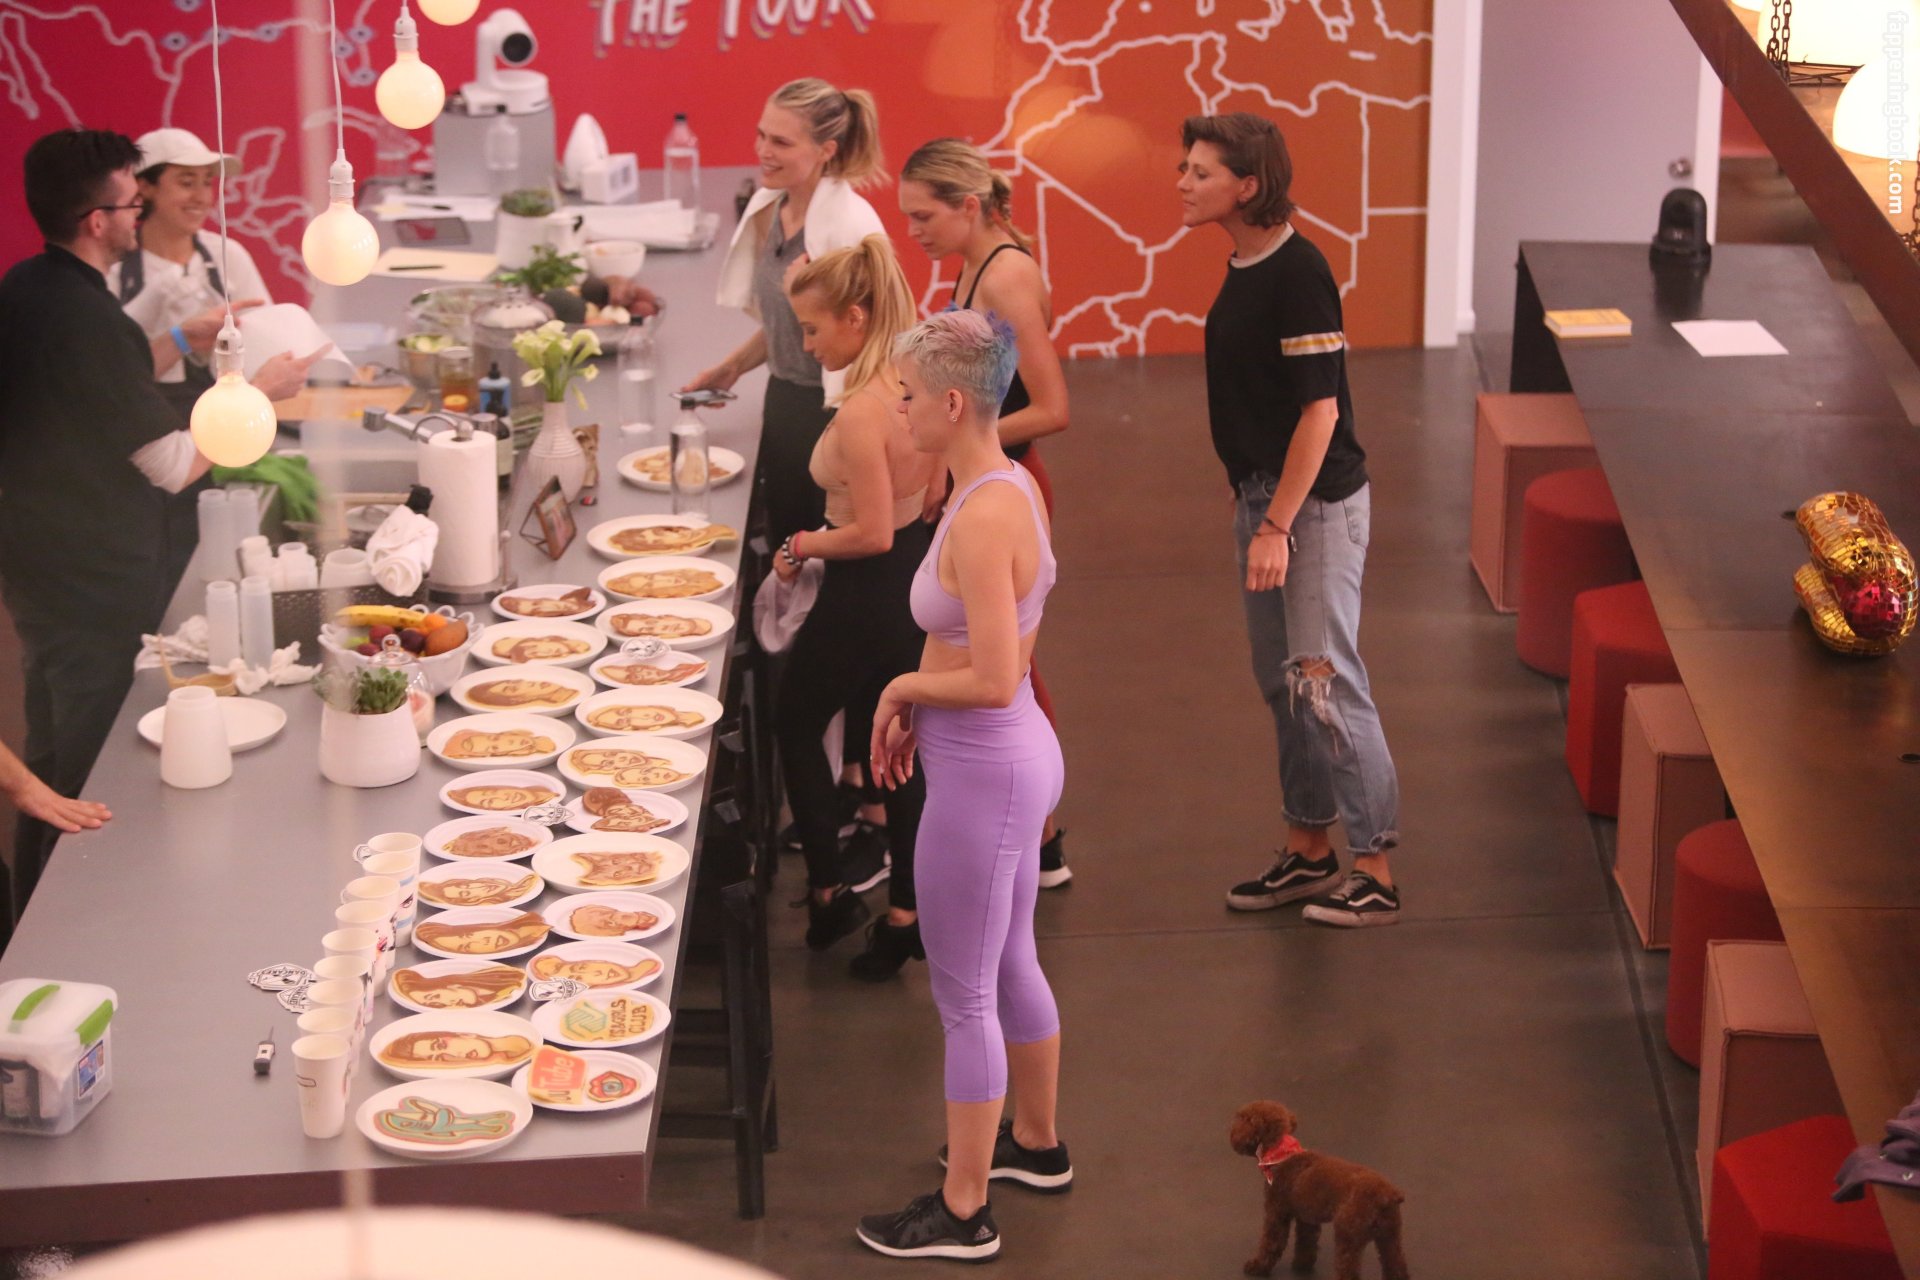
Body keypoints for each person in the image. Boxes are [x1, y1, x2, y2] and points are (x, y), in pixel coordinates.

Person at [860, 311, 1069, 1262]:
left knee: (963, 997)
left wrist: (903, 689)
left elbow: (993, 675)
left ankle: (963, 1209)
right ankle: (1036, 1142)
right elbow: (996, 648)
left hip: (985, 775)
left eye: (906, 395)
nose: (897, 409)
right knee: (1011, 956)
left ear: (952, 402)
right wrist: (920, 696)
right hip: (1011, 761)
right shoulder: (1004, 485)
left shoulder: (984, 516)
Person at [1177, 113, 1404, 927]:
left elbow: (1320, 412)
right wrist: (1251, 498)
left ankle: (1374, 866)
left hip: (1311, 508)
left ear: (1247, 185)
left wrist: (1275, 525)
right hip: (1265, 498)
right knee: (1286, 685)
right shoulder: (1247, 264)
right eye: (1185, 168)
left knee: (1324, 682)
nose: (1183, 183)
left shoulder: (1298, 272)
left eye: (1200, 172)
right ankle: (1309, 848)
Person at [0, 128, 219, 930]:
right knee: (88, 769)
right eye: (134, 201)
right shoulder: (89, 318)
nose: (142, 214)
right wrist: (256, 399)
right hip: (92, 578)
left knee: (53, 751)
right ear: (98, 220)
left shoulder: (23, 287)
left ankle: (32, 920)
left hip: (38, 566)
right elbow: (171, 465)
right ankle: (74, 933)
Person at [900, 138, 1075, 889]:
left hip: (1007, 480)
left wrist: (963, 450)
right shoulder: (974, 262)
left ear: (969, 206)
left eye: (923, 216)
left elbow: (1054, 407)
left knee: (1013, 668)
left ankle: (1040, 837)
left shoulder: (1004, 277)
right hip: (985, 475)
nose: (914, 231)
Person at [773, 236, 935, 977]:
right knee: (895, 748)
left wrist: (801, 543)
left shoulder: (864, 412)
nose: (808, 345)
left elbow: (869, 533)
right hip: (911, 583)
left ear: (855, 318)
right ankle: (906, 914)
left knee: (794, 719)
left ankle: (831, 891)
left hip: (866, 590)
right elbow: (929, 493)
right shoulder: (914, 378)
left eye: (813, 329)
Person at [107, 128, 317, 593]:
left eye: (208, 182)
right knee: (152, 572)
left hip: (219, 440)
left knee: (212, 566)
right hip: (142, 447)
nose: (203, 196)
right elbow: (112, 377)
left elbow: (269, 342)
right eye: (187, 182)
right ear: (145, 188)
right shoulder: (117, 270)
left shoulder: (227, 256)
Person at [691, 77, 888, 551]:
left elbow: (878, 337)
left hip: (833, 414)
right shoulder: (770, 209)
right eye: (761, 135)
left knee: (818, 555)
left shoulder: (852, 228)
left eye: (781, 142)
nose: (763, 151)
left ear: (826, 150)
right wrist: (733, 367)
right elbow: (795, 322)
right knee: (783, 544)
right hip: (784, 399)